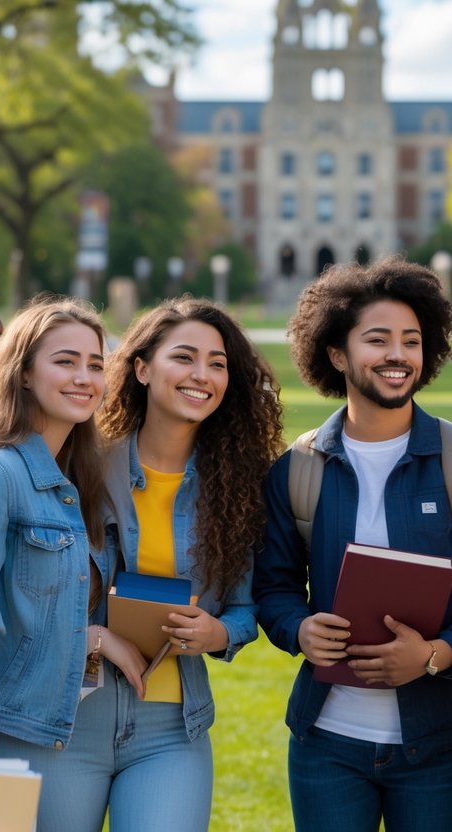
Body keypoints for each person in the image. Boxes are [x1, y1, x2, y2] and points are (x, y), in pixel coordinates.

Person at [254, 257, 452, 832]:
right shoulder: (297, 471)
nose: (398, 355)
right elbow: (272, 589)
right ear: (337, 354)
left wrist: (433, 654)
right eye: (377, 340)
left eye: (411, 341)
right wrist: (299, 628)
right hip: (326, 742)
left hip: (432, 746)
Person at [87, 297, 283, 831]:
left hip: (171, 727)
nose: (203, 375)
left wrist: (217, 631)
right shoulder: (83, 466)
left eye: (217, 363)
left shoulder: (238, 489)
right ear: (143, 368)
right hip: (73, 712)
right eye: (185, 357)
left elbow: (247, 610)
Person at [0, 297, 115, 827]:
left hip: (50, 727)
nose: (83, 377)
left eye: (95, 364)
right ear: (21, 373)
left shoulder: (76, 477)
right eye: (65, 361)